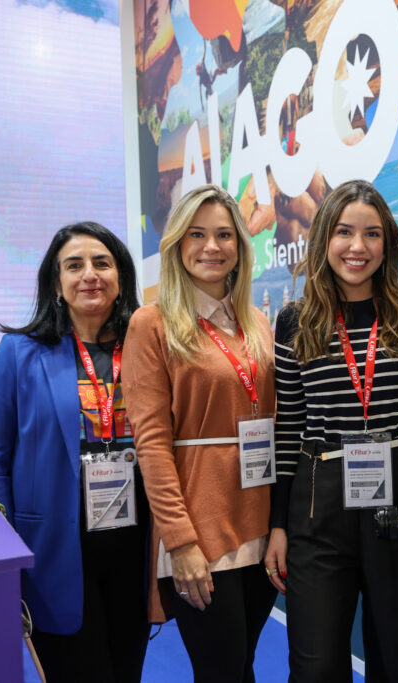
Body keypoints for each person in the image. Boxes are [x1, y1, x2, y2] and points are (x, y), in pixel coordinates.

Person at [264, 179, 398, 682]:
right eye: (344, 232)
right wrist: (278, 524)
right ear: (323, 240)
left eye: (372, 234)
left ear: (389, 244)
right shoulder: (295, 321)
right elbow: (289, 426)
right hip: (318, 501)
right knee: (316, 667)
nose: (358, 247)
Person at [0, 221, 148, 682]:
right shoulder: (18, 354)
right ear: (57, 283)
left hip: (135, 546)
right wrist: (2, 562)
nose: (89, 274)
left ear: (121, 278)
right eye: (74, 265)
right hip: (54, 553)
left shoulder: (147, 348)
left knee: (126, 670)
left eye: (102, 263)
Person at [122, 184, 276, 683]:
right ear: (176, 245)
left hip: (261, 519)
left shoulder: (255, 322)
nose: (212, 247)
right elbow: (151, 443)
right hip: (201, 527)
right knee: (222, 672)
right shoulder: (152, 324)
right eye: (197, 234)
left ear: (239, 246)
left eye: (224, 235)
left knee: (243, 664)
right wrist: (181, 542)